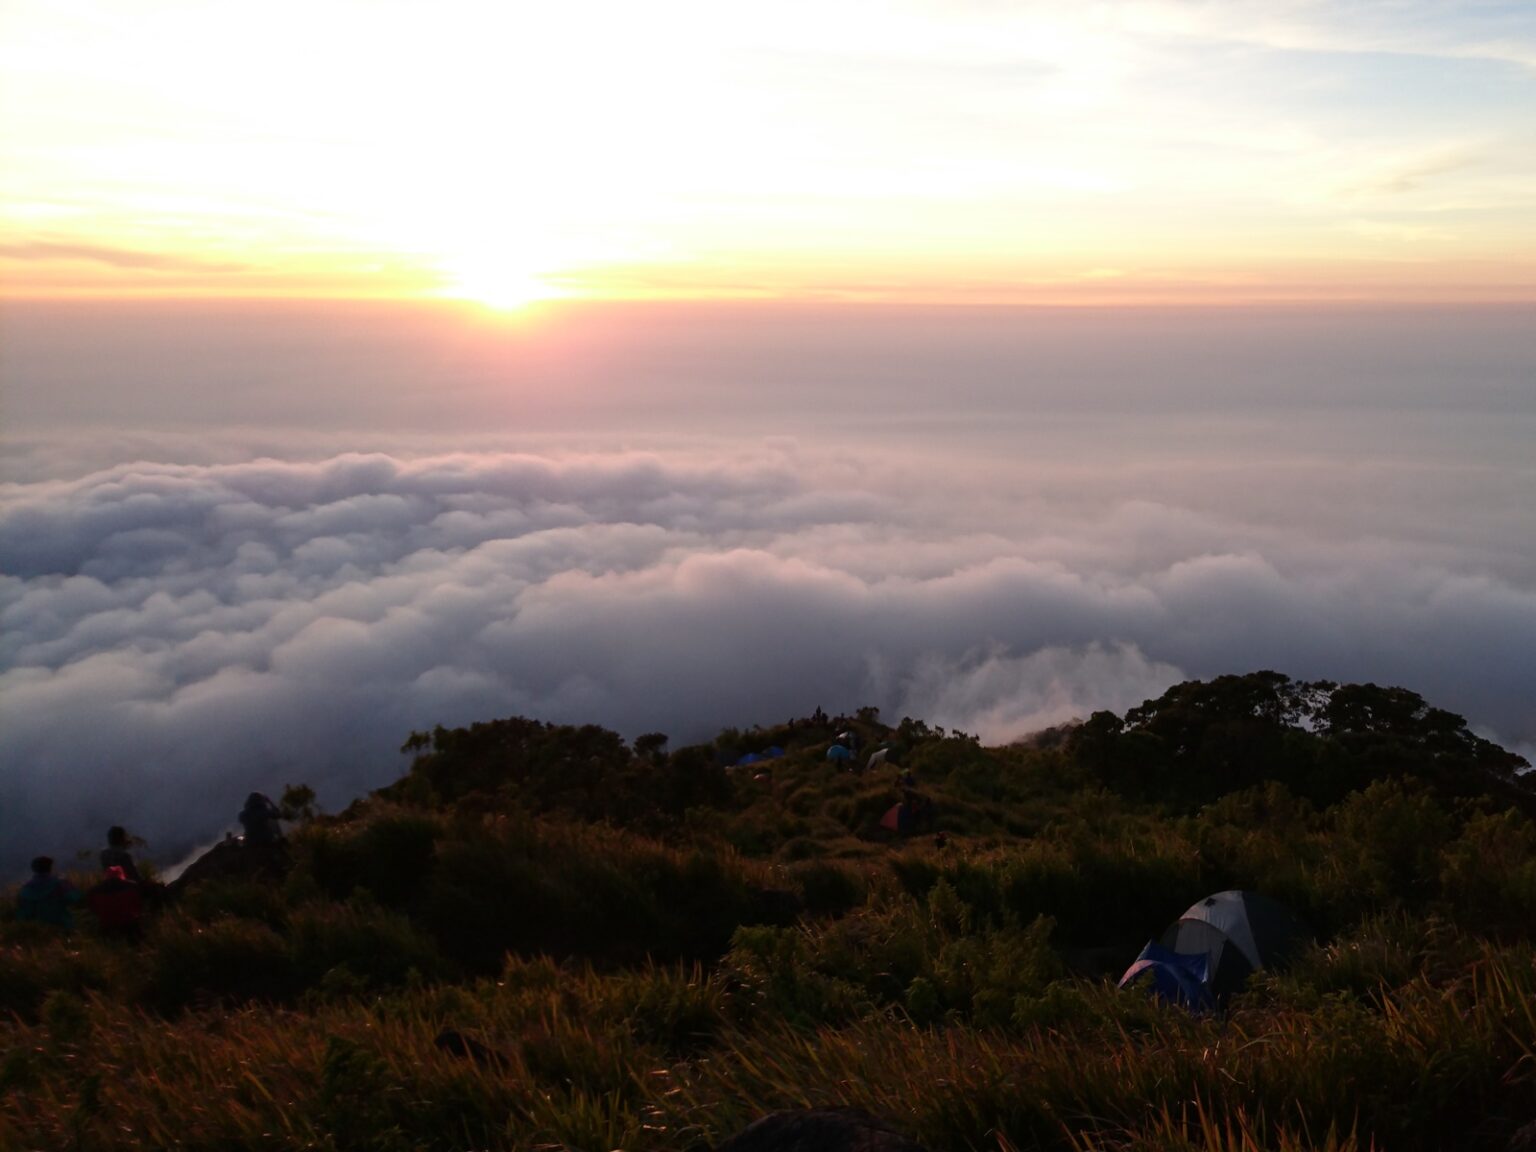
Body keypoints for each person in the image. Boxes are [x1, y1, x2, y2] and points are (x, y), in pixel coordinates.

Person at [16, 856, 83, 929]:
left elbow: (22, 911)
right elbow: (77, 898)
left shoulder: (25, 888)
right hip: (60, 926)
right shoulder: (61, 884)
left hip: (34, 929)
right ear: (51, 868)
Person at [86, 865, 143, 940]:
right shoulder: (132, 886)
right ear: (121, 874)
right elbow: (138, 905)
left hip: (107, 925)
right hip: (129, 923)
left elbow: (93, 909)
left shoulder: (94, 891)